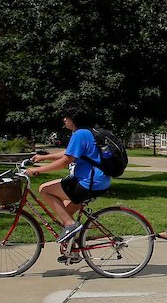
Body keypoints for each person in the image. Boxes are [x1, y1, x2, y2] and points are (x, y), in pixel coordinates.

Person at [26, 107, 112, 262]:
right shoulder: (86, 132)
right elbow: (69, 153)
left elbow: (66, 161)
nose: (64, 120)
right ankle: (72, 251)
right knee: (64, 211)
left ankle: (70, 225)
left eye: (66, 117)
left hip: (88, 182)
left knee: (44, 189)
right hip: (97, 180)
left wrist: (38, 171)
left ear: (74, 119)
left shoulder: (80, 134)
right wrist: (44, 157)